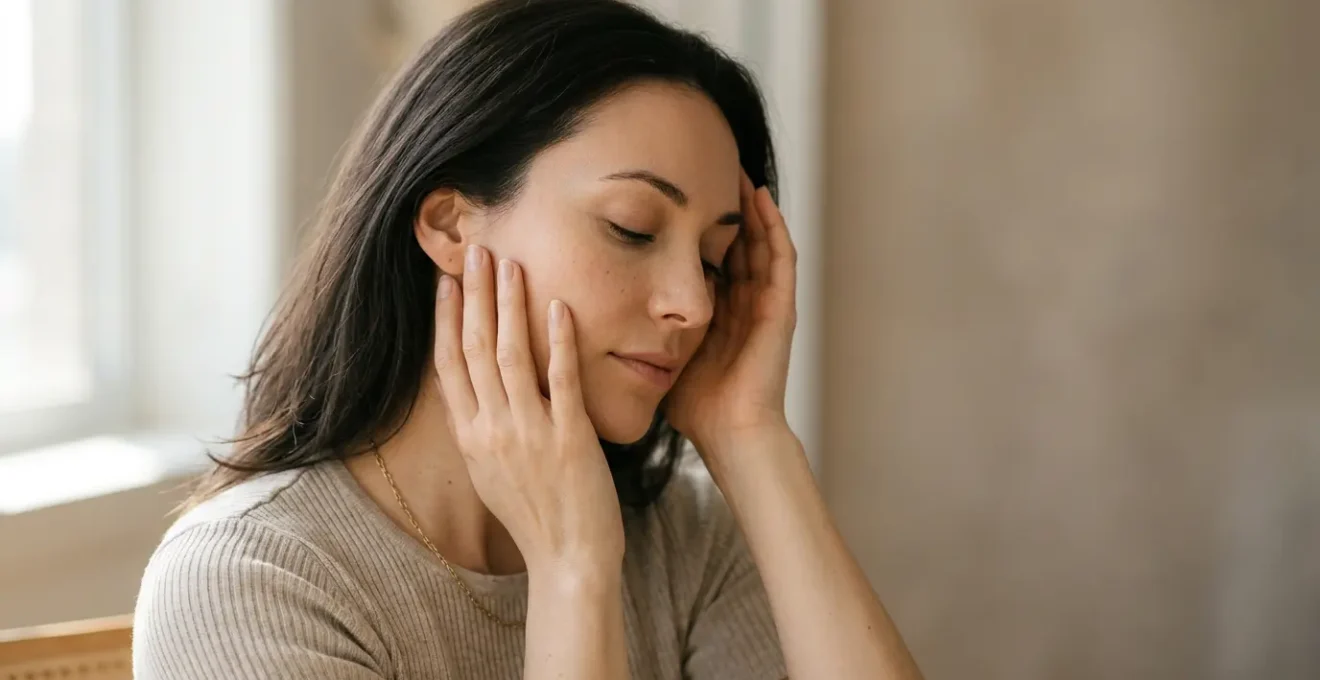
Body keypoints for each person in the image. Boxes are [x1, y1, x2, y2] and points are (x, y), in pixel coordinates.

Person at [131, 1, 923, 678]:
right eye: (632, 228)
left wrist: (753, 440)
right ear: (451, 225)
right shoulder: (250, 582)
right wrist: (573, 570)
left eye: (714, 261)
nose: (692, 304)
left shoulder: (687, 535)